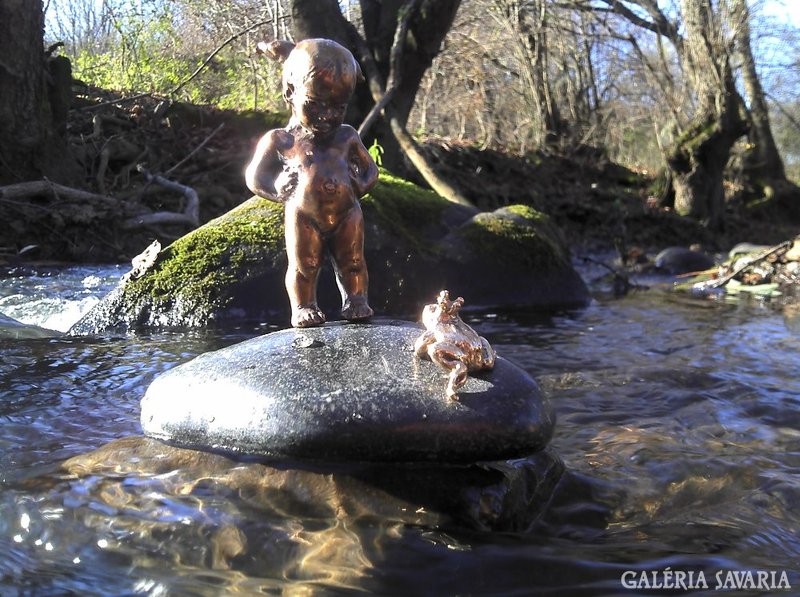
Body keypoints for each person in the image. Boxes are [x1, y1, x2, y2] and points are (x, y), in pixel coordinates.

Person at [245, 38, 379, 328]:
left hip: (347, 212)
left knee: (353, 261)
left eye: (338, 106)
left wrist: (360, 185)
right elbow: (254, 176)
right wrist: (275, 188)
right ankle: (303, 305)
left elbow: (371, 171)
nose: (328, 115)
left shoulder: (347, 136)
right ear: (290, 92)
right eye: (317, 104)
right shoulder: (282, 140)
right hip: (303, 213)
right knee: (304, 265)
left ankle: (356, 299)